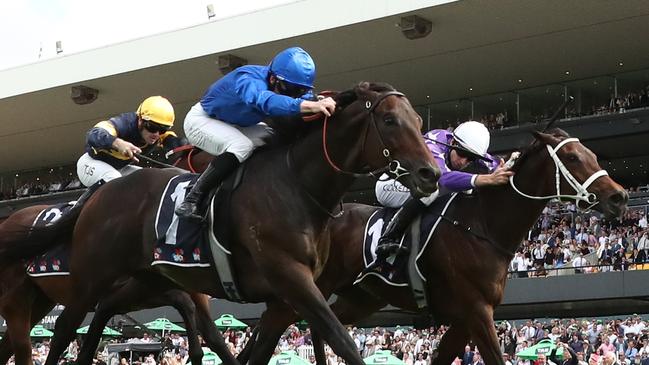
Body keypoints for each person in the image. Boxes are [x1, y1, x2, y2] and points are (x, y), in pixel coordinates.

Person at [175, 46, 336, 219]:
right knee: (241, 145)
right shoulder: (248, 78)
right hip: (202, 120)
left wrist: (319, 100)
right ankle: (192, 199)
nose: (295, 95)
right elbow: (263, 100)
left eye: (300, 91)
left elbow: (305, 99)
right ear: (273, 79)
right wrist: (306, 105)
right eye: (291, 90)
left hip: (237, 123)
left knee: (273, 138)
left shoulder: (285, 83)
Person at [367, 121, 514, 269]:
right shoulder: (434, 145)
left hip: (412, 182)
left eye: (471, 159)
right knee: (432, 188)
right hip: (389, 185)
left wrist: (505, 165)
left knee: (461, 189)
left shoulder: (464, 144)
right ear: (453, 142)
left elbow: (495, 164)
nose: (464, 161)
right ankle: (387, 238)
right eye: (462, 154)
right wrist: (486, 179)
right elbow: (443, 178)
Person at [75, 96, 180, 207]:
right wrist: (118, 143)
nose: (157, 134)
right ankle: (76, 209)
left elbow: (180, 145)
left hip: (120, 168)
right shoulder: (124, 123)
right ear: (140, 119)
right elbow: (93, 134)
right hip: (90, 163)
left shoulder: (161, 135)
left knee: (149, 177)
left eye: (163, 129)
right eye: (152, 127)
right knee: (113, 177)